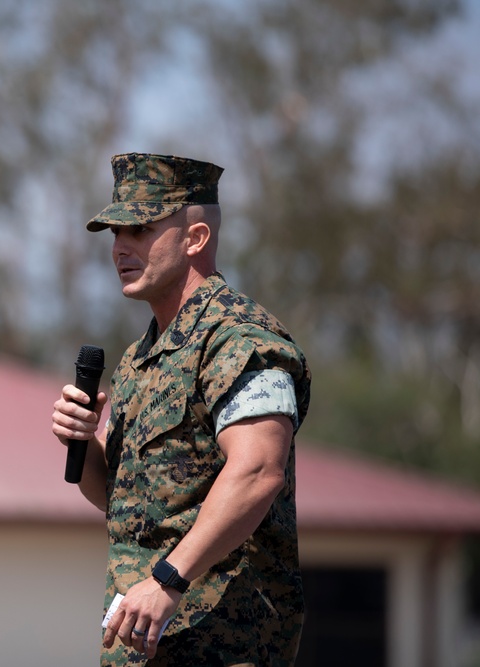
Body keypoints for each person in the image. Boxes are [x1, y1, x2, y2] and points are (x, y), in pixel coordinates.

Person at [51, 153, 311, 666]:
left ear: (195, 239)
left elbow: (258, 470)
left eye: (141, 229)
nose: (121, 247)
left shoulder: (239, 340)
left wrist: (169, 579)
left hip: (223, 643)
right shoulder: (141, 358)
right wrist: (85, 444)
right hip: (144, 646)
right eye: (114, 234)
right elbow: (122, 502)